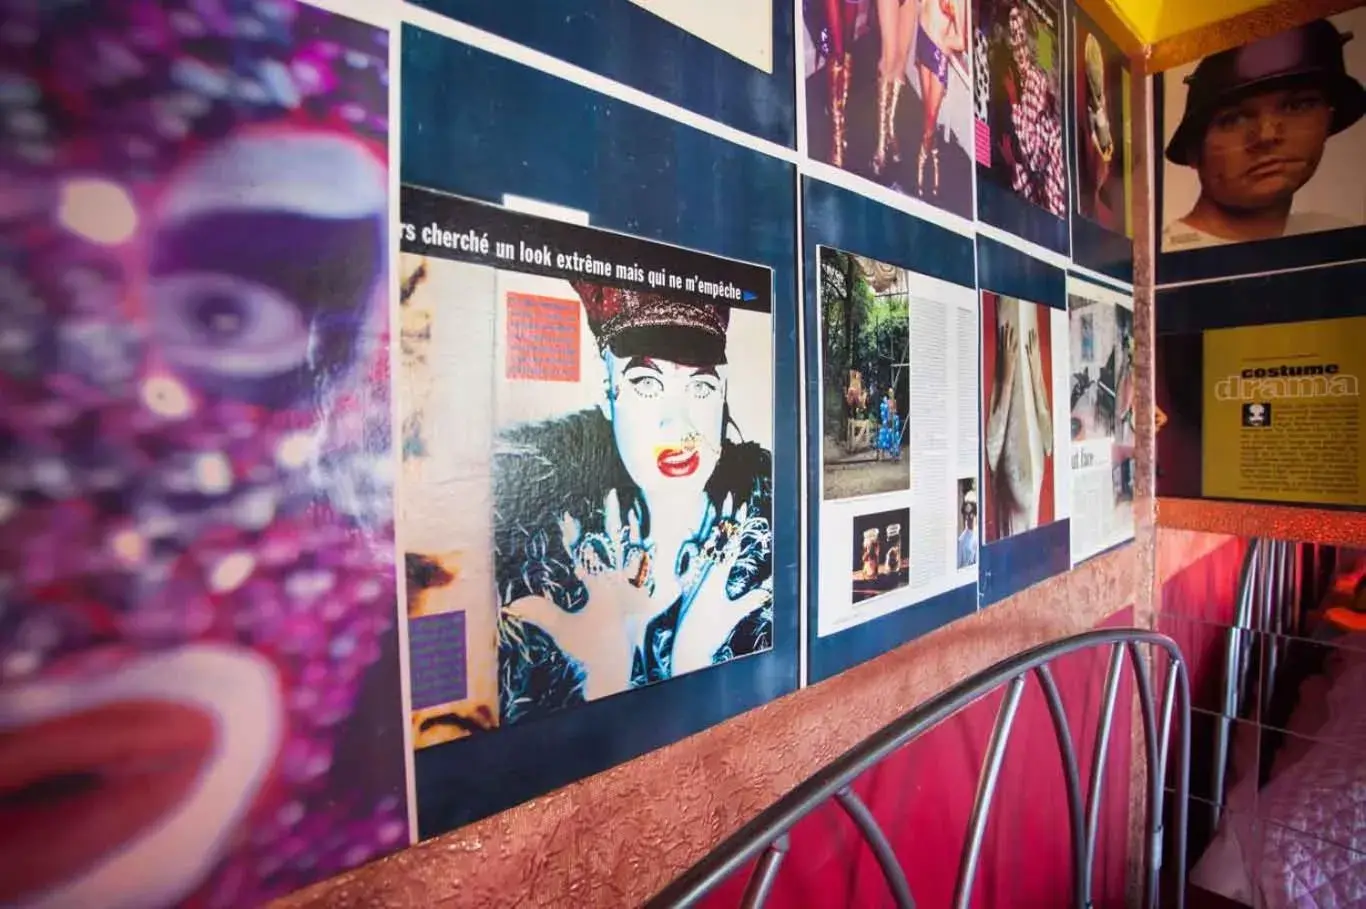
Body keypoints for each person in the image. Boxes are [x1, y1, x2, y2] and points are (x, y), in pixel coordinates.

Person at [494, 283, 774, 723]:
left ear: (722, 395)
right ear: (608, 392)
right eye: (647, 382)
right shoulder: (537, 564)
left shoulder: (771, 557)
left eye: (701, 386)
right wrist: (604, 680)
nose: (678, 422)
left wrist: (694, 661)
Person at [1163, 19, 1366, 251]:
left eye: (1297, 106)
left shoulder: (1334, 238)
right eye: (1234, 119)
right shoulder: (1172, 258)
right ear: (1194, 151)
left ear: (1329, 118)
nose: (1267, 136)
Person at [984, 297, 1054, 538]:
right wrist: (1034, 373)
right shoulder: (1027, 499)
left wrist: (1007, 375)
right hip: (1021, 473)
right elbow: (1049, 441)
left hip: (1011, 377)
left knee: (1013, 324)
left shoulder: (1012, 501)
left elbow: (992, 448)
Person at [998, 4, 1067, 217]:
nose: (1018, 46)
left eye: (1021, 37)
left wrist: (1014, 101)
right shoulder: (1033, 79)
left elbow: (1031, 153)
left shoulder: (1034, 81)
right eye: (1013, 39)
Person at [914, 0, 968, 196]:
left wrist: (943, 42)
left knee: (930, 115)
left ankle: (921, 161)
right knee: (926, 109)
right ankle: (934, 156)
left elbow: (962, 40)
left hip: (938, 54)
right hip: (922, 40)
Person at [957, 488, 979, 568]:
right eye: (966, 514)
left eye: (970, 513)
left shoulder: (980, 534)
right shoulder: (961, 540)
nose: (968, 517)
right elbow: (959, 565)